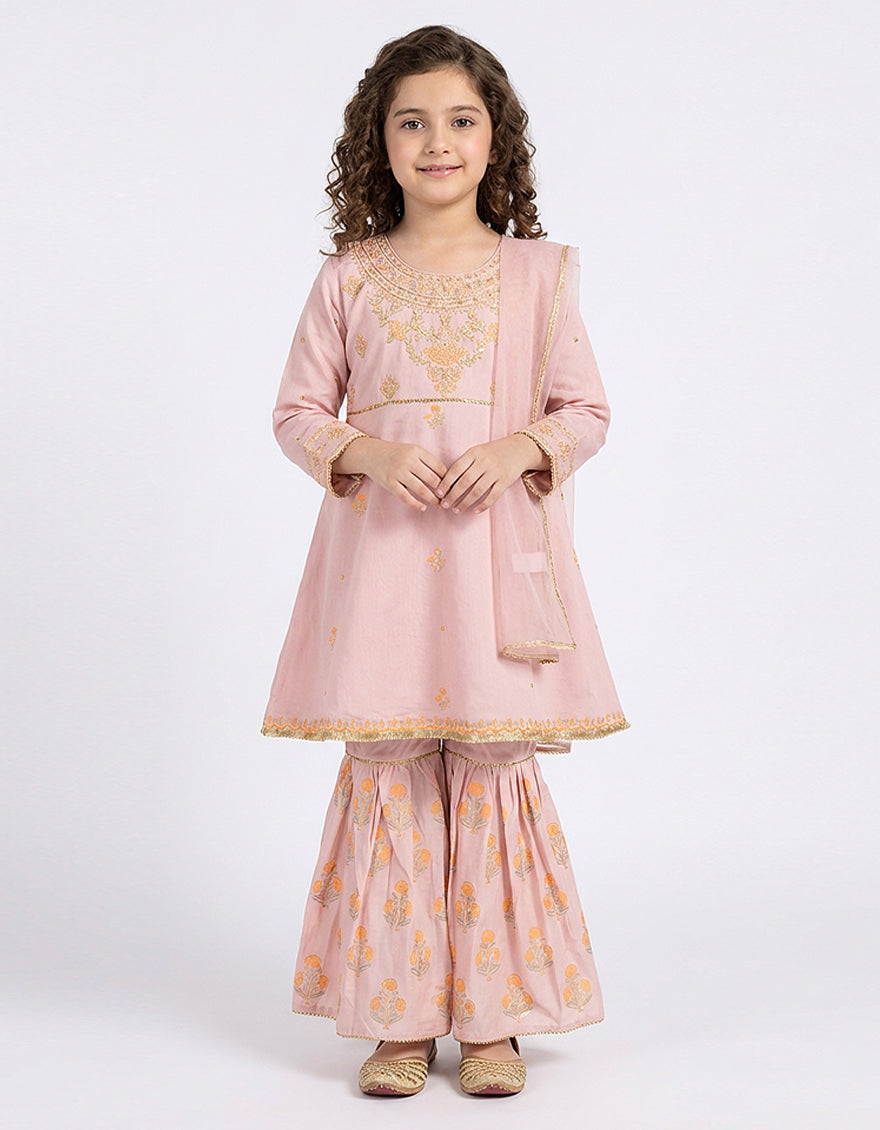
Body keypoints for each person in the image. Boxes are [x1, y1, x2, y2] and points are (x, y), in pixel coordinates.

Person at [261, 24, 629, 1097]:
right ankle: (399, 1016)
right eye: (411, 122)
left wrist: (518, 449)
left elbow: (586, 409)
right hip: (379, 567)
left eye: (461, 120)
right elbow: (295, 412)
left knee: (491, 764)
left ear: (494, 137)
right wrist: (367, 451)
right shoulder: (350, 277)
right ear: (377, 143)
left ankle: (495, 1019)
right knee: (391, 767)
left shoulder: (538, 274)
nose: (437, 142)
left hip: (494, 568)